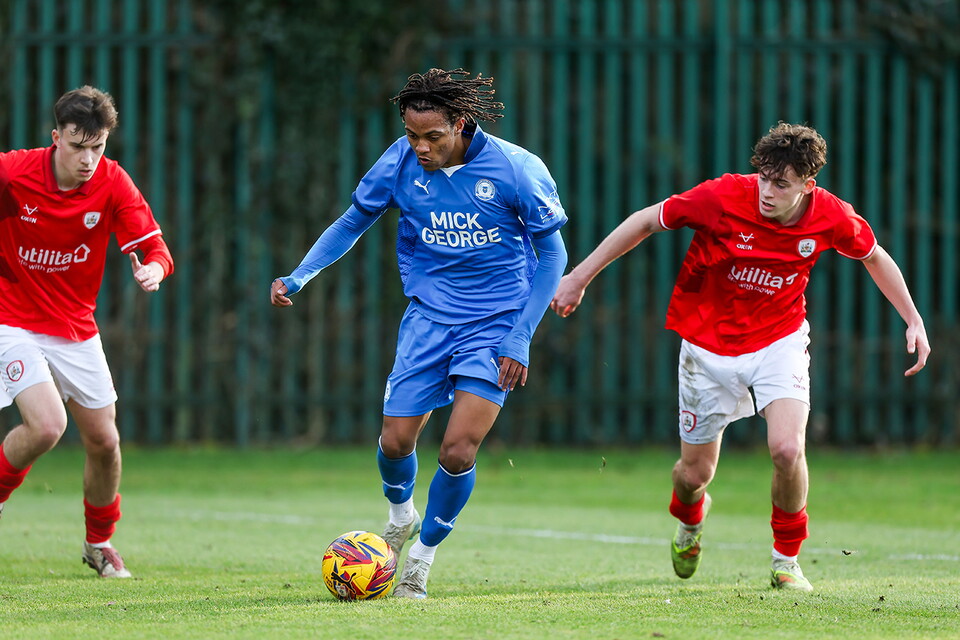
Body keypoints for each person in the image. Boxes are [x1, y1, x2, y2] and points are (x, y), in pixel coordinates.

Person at [551, 123, 929, 592]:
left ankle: (786, 560)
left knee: (787, 449)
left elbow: (874, 255)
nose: (767, 192)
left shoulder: (830, 215)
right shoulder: (723, 197)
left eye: (781, 184)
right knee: (694, 474)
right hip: (707, 346)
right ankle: (691, 516)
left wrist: (913, 318)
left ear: (808, 185)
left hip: (779, 341)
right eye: (764, 179)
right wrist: (579, 277)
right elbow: (646, 220)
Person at [271, 68, 567, 599]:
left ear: (461, 122)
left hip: (496, 324)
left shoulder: (517, 169)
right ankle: (400, 515)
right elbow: (353, 220)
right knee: (394, 441)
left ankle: (420, 561)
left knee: (457, 450)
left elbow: (553, 257)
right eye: (412, 135)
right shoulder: (400, 161)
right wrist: (300, 275)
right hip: (429, 319)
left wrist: (521, 335)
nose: (421, 148)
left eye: (433, 136)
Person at [0, 86, 174, 578]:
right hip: (12, 320)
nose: (88, 159)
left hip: (74, 326)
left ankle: (98, 543)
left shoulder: (112, 182)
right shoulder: (13, 174)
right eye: (78, 146)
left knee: (105, 442)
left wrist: (154, 271)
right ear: (55, 137)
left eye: (97, 147)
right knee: (47, 426)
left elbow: (158, 250)